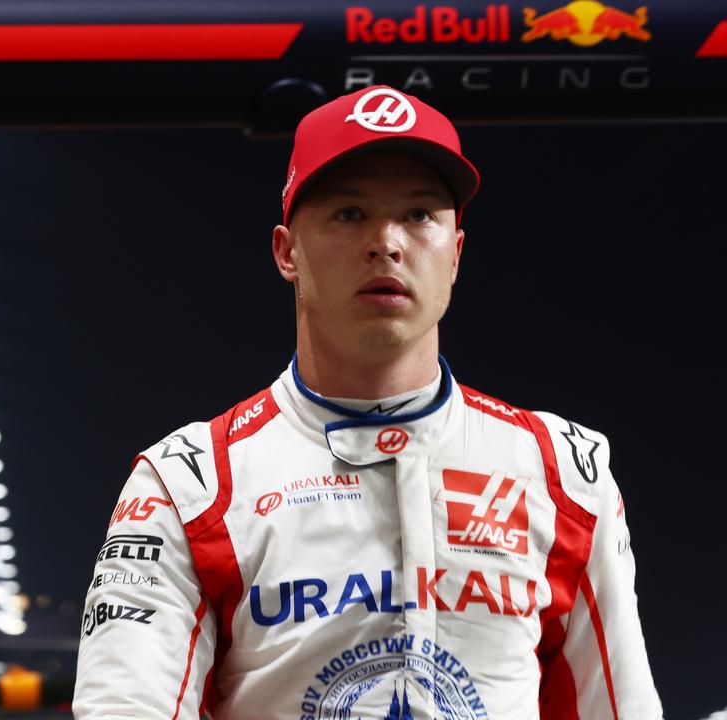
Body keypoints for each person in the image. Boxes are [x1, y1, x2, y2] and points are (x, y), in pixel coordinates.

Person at [72, 85, 662, 720]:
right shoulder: (188, 482)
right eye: (349, 213)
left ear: (456, 253)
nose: (387, 241)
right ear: (286, 251)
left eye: (419, 215)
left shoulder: (564, 473)